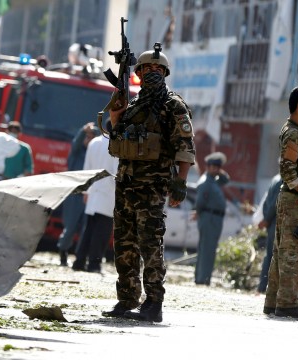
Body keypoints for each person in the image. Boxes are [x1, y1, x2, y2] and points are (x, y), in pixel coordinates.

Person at [102, 43, 196, 322]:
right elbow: (116, 136)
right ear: (139, 73)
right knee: (125, 243)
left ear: (165, 73)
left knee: (150, 244)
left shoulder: (173, 105)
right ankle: (127, 298)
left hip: (152, 187)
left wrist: (181, 181)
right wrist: (116, 113)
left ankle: (154, 302)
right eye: (147, 68)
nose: (153, 72)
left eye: (158, 69)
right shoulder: (132, 106)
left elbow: (186, 145)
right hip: (127, 184)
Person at [263, 86, 298, 320]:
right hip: (295, 200)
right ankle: (286, 304)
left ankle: (273, 301)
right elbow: (287, 170)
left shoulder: (297, 132)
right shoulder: (293, 133)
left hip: (293, 200)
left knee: (282, 251)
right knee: (292, 252)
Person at [72, 133, 119, 273]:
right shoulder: (117, 144)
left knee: (88, 230)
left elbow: (87, 167)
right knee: (102, 233)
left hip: (93, 192)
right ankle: (94, 264)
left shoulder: (94, 142)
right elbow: (118, 172)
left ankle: (79, 261)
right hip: (109, 194)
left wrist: (86, 191)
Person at [57, 122, 100, 266]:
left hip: (90, 195)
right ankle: (63, 252)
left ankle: (80, 258)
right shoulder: (76, 153)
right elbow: (76, 143)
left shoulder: (96, 154)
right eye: (86, 137)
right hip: (75, 195)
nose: (88, 140)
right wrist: (83, 131)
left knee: (86, 229)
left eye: (91, 137)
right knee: (70, 227)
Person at [194, 152, 229, 285]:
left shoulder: (214, 180)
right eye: (213, 166)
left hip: (214, 218)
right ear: (207, 167)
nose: (215, 169)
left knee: (209, 248)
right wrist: (198, 212)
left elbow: (226, 180)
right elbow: (200, 202)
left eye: (217, 167)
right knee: (207, 249)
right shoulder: (205, 182)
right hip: (209, 217)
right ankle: (203, 279)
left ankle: (202, 277)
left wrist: (220, 172)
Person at [256, 173, 282, 293]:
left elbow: (267, 202)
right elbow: (274, 203)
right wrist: (266, 219)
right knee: (273, 256)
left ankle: (264, 286)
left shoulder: (275, 178)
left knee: (270, 255)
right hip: (276, 221)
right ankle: (265, 286)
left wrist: (266, 218)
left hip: (272, 221)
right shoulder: (281, 180)